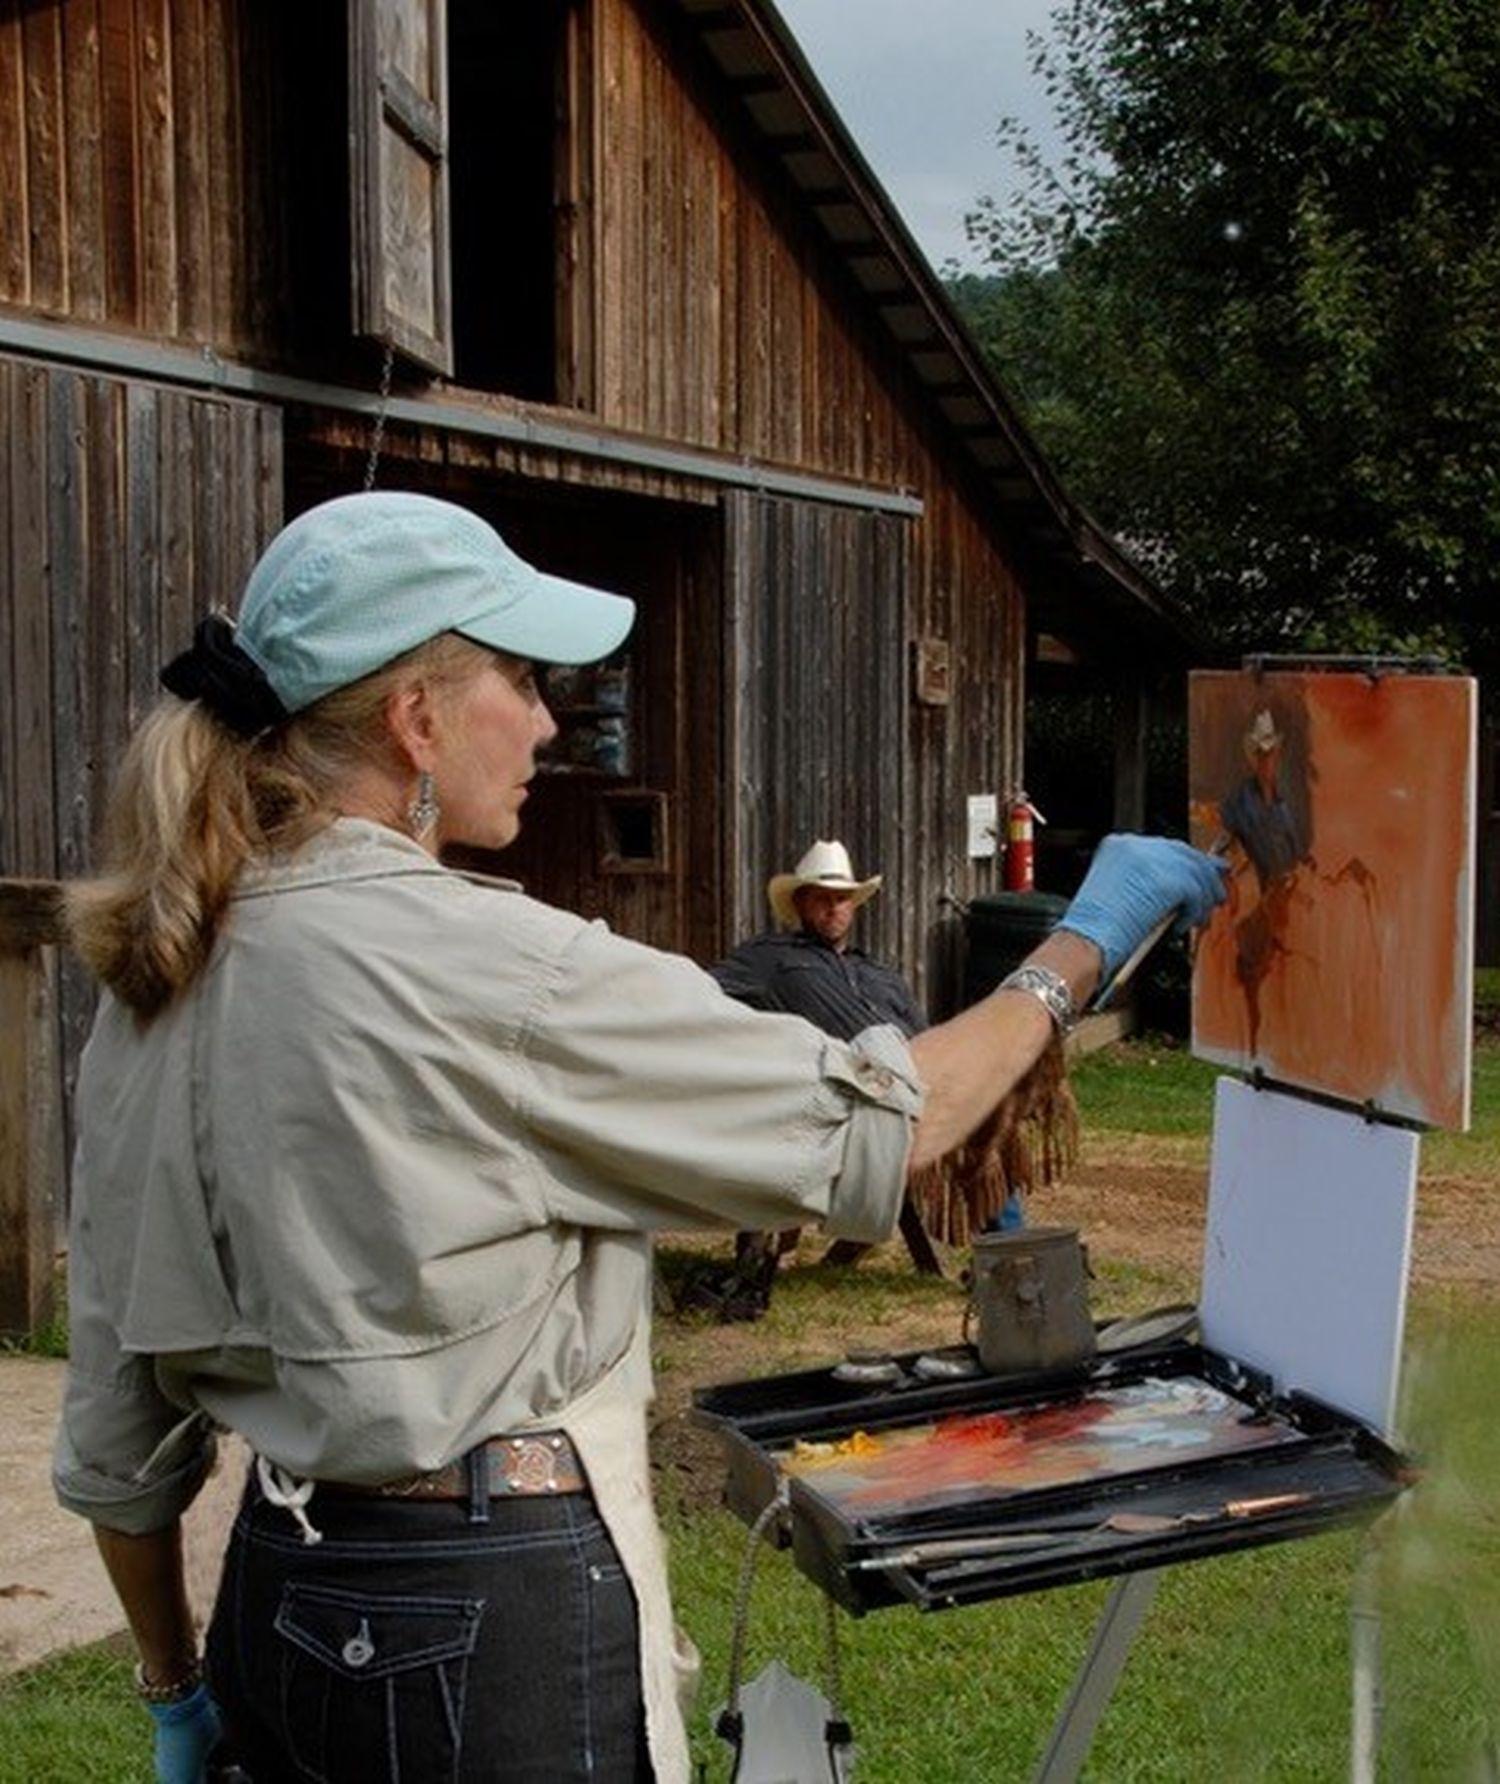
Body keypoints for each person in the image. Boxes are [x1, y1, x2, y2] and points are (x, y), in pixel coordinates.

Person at [51, 489, 1227, 1784]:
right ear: (416, 717)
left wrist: (174, 1694)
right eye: (521, 677)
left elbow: (119, 1442)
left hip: (279, 1603)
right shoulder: (492, 968)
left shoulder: (154, 978)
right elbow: (891, 1126)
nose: (551, 721)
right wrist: (1083, 944)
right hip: (485, 1619)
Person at [709, 840, 932, 1289]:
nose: (834, 909)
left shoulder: (881, 973)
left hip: (908, 1081)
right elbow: (705, 992)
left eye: (842, 899)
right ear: (799, 903)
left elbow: (924, 1035)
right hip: (833, 1091)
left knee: (985, 1123)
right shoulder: (769, 958)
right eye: (822, 899)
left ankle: (1006, 1250)